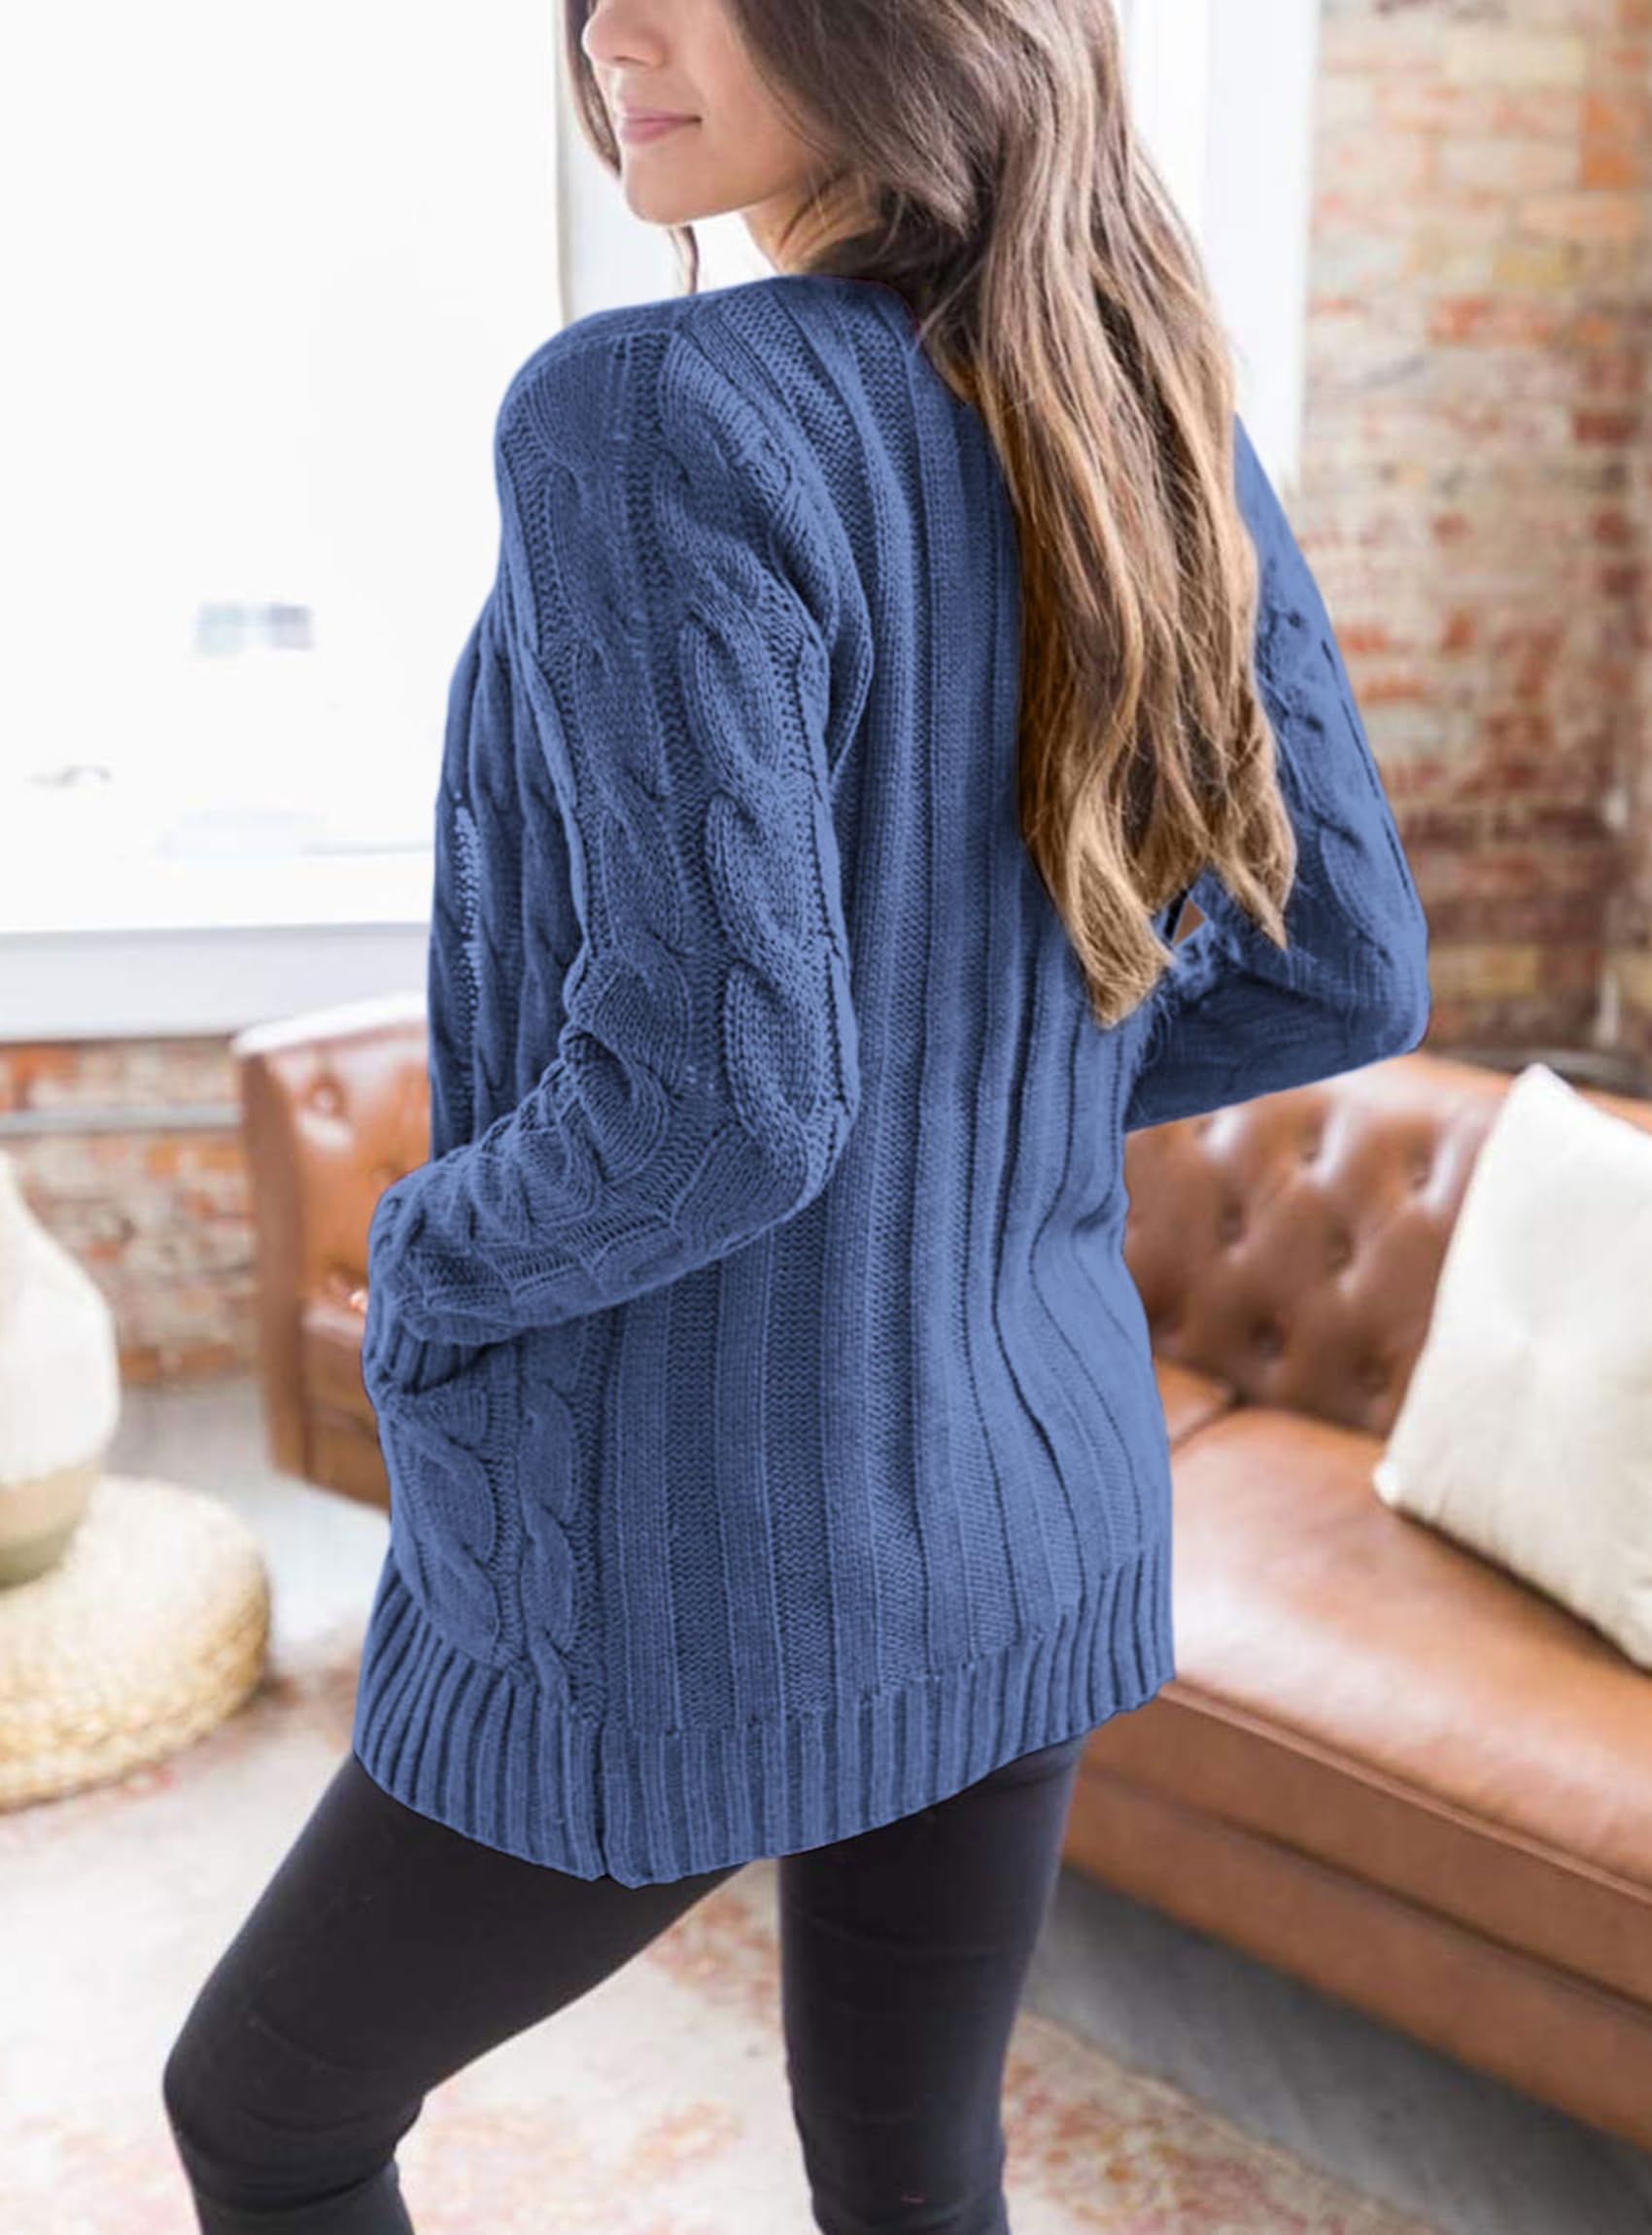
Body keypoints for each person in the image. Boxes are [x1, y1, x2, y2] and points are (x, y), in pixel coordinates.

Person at [162, 0, 1432, 2228]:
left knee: (263, 2110)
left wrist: (431, 1254)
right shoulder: (1143, 399)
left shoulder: (647, 410)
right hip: (1032, 1499)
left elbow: (724, 1104)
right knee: (913, 2168)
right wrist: (990, 1106)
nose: (608, 29)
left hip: (697, 1558)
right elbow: (1343, 962)